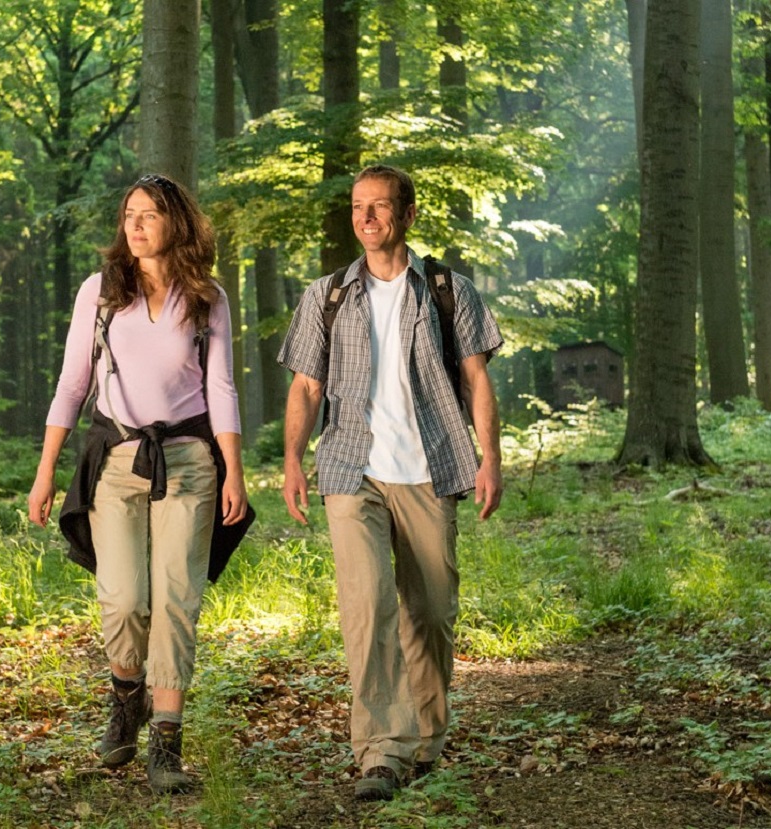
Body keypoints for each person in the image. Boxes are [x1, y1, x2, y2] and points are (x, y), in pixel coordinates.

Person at [278, 164, 503, 801]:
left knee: (429, 613)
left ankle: (425, 741)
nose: (366, 218)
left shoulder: (447, 290)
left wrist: (491, 457)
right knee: (368, 603)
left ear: (407, 215)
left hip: (430, 467)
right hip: (351, 467)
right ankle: (381, 750)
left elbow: (477, 379)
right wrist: (294, 460)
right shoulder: (327, 295)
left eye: (379, 207)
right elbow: (305, 386)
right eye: (357, 207)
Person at [27, 173, 248, 795]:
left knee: (178, 599)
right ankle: (128, 700)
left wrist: (235, 469)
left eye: (149, 214)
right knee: (125, 599)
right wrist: (46, 471)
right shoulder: (100, 292)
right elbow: (73, 383)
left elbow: (222, 388)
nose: (136, 224)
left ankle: (167, 743)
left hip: (190, 461)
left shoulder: (208, 297)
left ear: (176, 223)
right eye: (129, 214)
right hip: (117, 459)